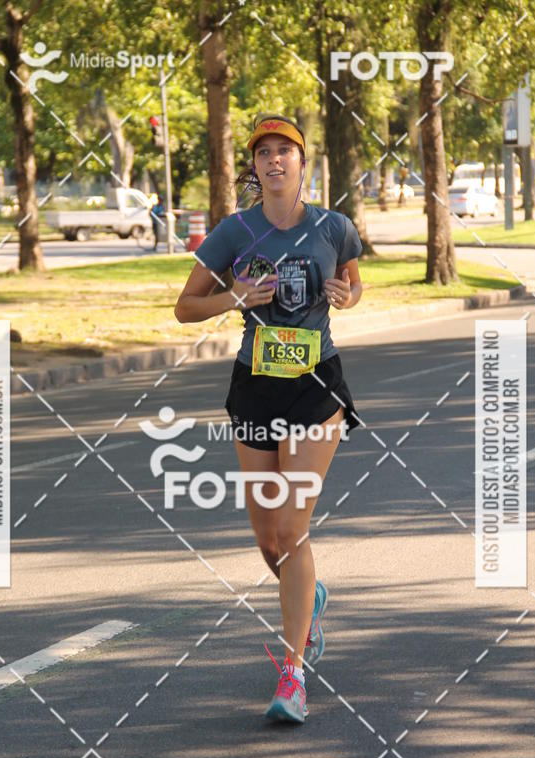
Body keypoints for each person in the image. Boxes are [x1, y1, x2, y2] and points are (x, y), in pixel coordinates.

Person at [174, 113, 363, 724]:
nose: (276, 160)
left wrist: (346, 296)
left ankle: (292, 674)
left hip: (316, 388)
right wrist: (234, 298)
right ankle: (307, 596)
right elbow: (185, 308)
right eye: (265, 153)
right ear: (253, 167)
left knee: (292, 529)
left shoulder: (333, 226)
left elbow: (353, 282)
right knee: (266, 538)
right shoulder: (234, 232)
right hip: (255, 388)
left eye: (286, 151)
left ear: (303, 162)